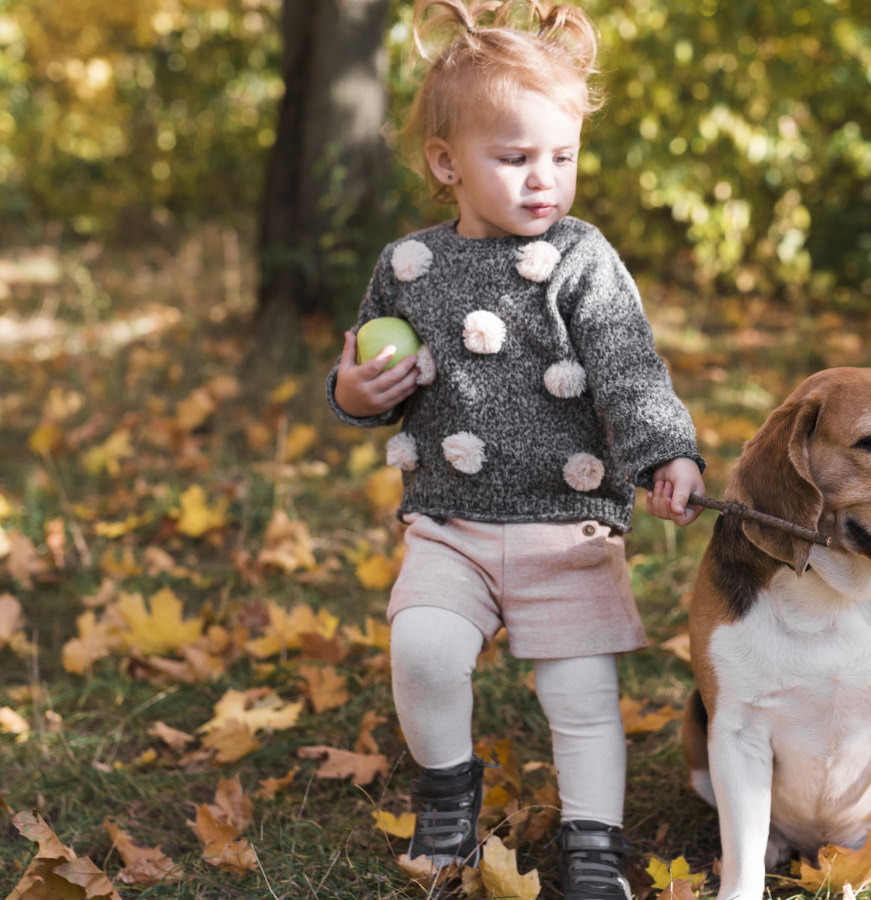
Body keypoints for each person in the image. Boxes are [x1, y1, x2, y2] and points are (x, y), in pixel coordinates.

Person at [325, 1, 704, 897]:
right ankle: (449, 789)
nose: (545, 181)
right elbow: (373, 376)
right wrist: (353, 394)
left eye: (562, 158)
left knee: (579, 699)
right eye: (515, 158)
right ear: (446, 163)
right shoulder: (407, 266)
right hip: (449, 523)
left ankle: (592, 846)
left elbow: (627, 368)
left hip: (566, 526)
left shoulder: (582, 258)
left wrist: (665, 452)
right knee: (420, 650)